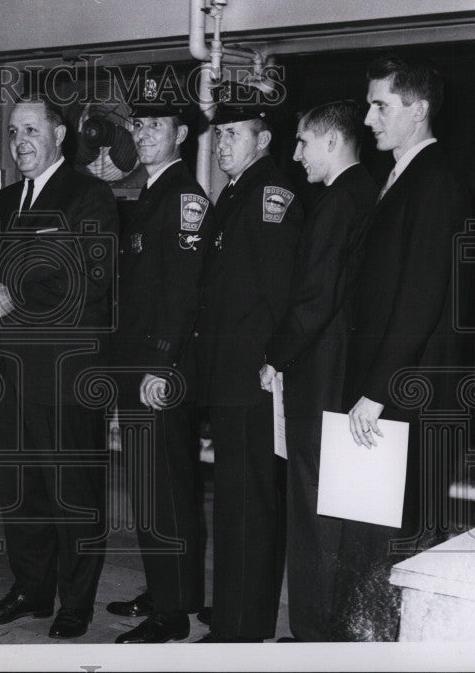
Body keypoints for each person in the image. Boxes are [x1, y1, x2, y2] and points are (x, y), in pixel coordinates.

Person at [331, 55, 472, 641]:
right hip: (390, 392)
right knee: (366, 529)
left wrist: (375, 390)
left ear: (417, 109)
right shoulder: (406, 176)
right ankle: (361, 642)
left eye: (381, 105)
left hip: (403, 397)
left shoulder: (434, 180)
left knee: (392, 538)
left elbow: (418, 296)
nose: (368, 118)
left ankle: (377, 649)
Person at [0, 95, 119, 640]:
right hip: (11, 374)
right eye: (12, 132)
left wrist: (14, 302)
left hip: (64, 376)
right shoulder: (4, 201)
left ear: (59, 135)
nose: (20, 141)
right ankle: (31, 590)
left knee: (72, 492)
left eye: (31, 129)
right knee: (21, 489)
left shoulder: (90, 195)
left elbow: (89, 281)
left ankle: (74, 602)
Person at [258, 100, 377, 641]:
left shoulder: (336, 202)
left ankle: (313, 637)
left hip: (319, 374)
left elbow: (313, 299)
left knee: (314, 511)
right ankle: (328, 631)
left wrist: (274, 355)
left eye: (304, 142)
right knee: (336, 511)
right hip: (343, 372)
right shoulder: (365, 193)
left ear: (332, 142)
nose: (296, 154)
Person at [191, 103, 303, 643]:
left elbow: (280, 292)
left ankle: (240, 626)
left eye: (234, 133)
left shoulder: (267, 196)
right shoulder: (236, 193)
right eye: (219, 135)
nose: (222, 144)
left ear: (263, 138)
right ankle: (239, 606)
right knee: (237, 503)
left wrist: (271, 364)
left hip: (251, 380)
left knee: (246, 506)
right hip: (229, 375)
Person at [107, 80, 211, 643]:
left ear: (181, 133)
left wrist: (162, 364)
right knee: (153, 484)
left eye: (155, 125)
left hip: (157, 370)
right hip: (139, 363)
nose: (143, 134)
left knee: (162, 486)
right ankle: (171, 589)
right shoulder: (148, 191)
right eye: (138, 125)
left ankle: (170, 614)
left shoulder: (184, 197)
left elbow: (185, 290)